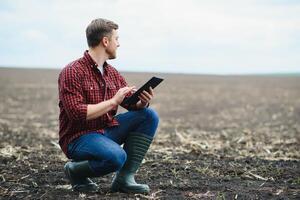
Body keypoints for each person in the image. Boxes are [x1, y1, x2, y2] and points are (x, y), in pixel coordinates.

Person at [58, 18, 159, 194]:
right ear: (105, 41)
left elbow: (128, 102)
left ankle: (124, 179)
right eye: (116, 39)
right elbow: (76, 113)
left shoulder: (112, 73)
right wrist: (113, 102)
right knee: (116, 157)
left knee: (148, 115)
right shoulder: (72, 71)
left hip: (105, 131)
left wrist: (141, 102)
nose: (118, 44)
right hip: (78, 137)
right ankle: (74, 170)